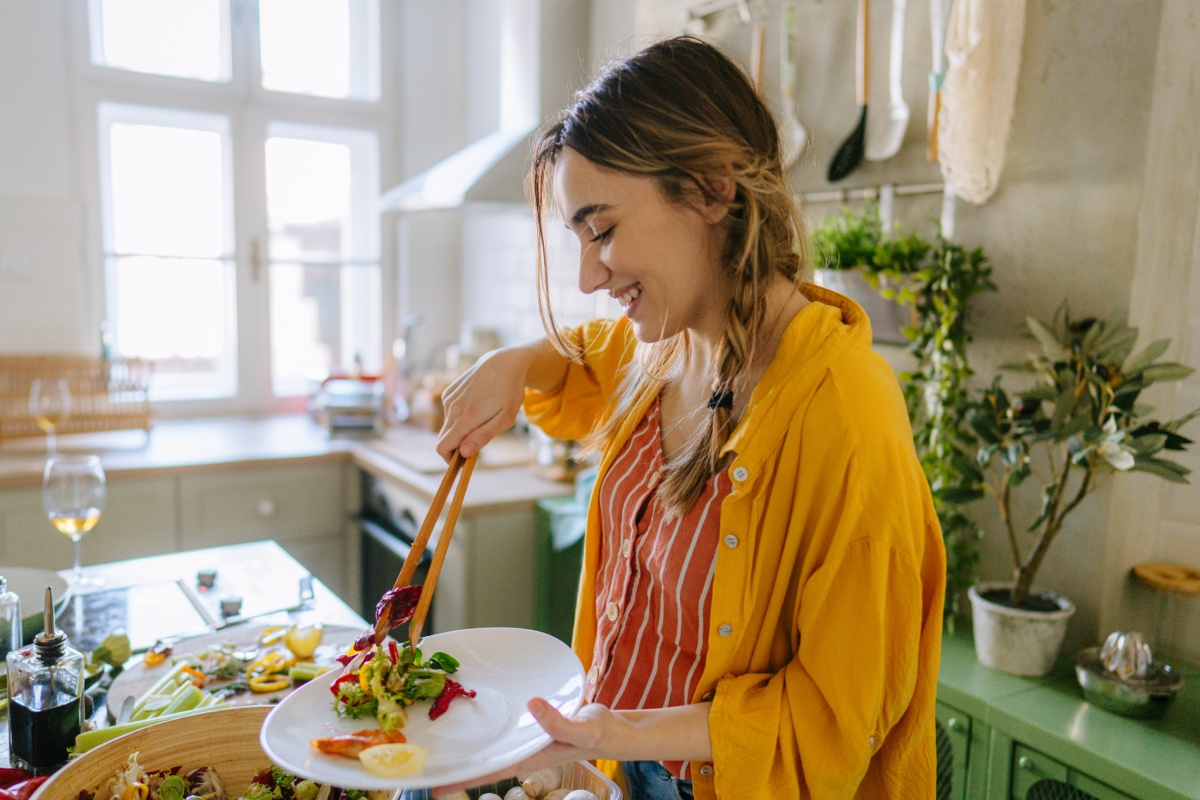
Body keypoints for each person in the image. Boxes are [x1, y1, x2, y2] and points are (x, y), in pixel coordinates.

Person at [434, 36, 945, 800]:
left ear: (711, 191)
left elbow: (839, 712)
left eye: (601, 230)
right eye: (578, 238)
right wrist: (516, 363)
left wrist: (613, 732)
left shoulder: (845, 411)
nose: (587, 275)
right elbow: (583, 355)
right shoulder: (668, 350)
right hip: (621, 765)